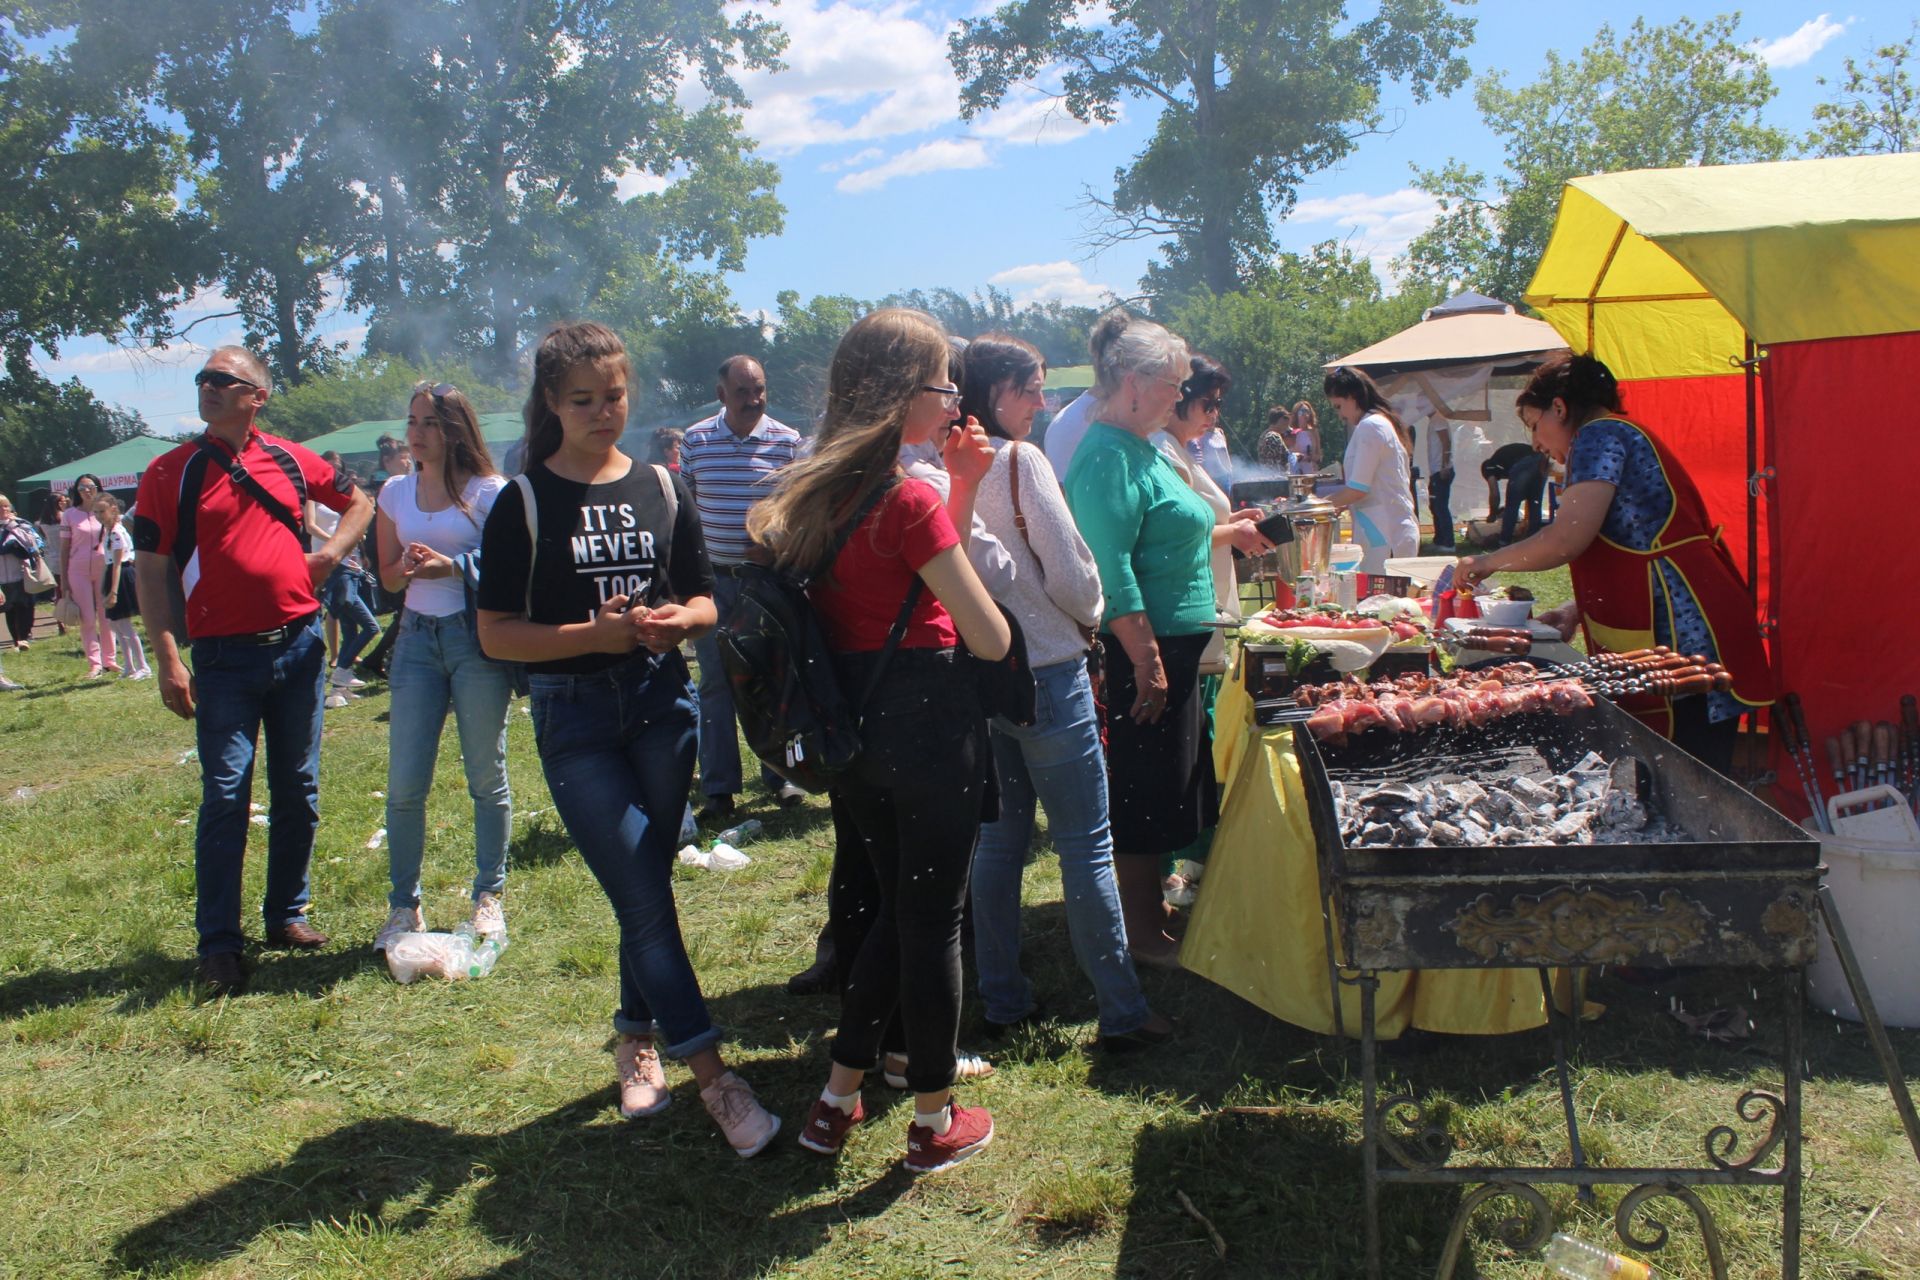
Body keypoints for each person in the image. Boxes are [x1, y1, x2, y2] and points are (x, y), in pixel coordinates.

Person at [476, 322, 778, 1158]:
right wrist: (592, 636)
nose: (604, 413)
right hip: (573, 718)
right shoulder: (524, 501)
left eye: (614, 396)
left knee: (639, 884)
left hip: (659, 706)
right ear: (550, 403)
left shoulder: (661, 483)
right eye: (583, 401)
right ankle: (715, 1077)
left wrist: (679, 619)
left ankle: (632, 1035)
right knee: (645, 895)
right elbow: (498, 635)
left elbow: (706, 600)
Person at [749, 308, 1010, 1171]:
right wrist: (953, 501)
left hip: (849, 728)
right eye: (944, 384)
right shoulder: (906, 497)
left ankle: (837, 1098)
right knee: (931, 920)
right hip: (931, 726)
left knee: (891, 915)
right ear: (906, 394)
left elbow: (886, 592)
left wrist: (958, 491)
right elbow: (988, 637)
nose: (953, 399)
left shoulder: (811, 494)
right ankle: (933, 1120)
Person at [133, 346, 374, 995]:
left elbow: (361, 503)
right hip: (221, 659)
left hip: (298, 647)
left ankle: (285, 914)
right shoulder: (170, 471)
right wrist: (165, 657)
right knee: (227, 795)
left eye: (221, 380)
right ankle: (218, 941)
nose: (206, 387)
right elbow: (151, 570)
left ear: (255, 395)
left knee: (299, 788)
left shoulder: (292, 459)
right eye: (202, 379)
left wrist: (330, 552)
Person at [962, 332, 1175, 1050]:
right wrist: (1088, 617)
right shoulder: (1019, 459)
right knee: (1086, 843)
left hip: (985, 677)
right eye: (1031, 389)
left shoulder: (944, 465)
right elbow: (1075, 574)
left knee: (998, 844)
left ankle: (1000, 998)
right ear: (996, 394)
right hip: (1050, 669)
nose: (1042, 402)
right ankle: (1121, 1011)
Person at [1455, 354, 1775, 773]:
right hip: (1676, 622)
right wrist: (1575, 610)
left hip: (1684, 629)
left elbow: (1567, 537)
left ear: (1560, 407)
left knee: (1687, 773)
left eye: (1534, 426)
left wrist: (1488, 561)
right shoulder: (1608, 436)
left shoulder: (1599, 435)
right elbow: (1623, 533)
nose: (1535, 442)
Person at [1062, 310, 1221, 966]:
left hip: (1169, 648)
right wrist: (1147, 660)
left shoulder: (1136, 448)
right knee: (1139, 791)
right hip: (1141, 654)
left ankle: (1152, 914)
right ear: (1133, 382)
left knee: (1161, 786)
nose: (1179, 398)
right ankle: (1140, 932)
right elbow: (1110, 562)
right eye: (1173, 386)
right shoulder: (1105, 455)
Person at [371, 383, 514, 954]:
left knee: (486, 775)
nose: (416, 432)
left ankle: (489, 897)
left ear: (455, 429)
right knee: (405, 785)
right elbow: (384, 578)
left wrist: (451, 568)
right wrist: (407, 569)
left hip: (473, 640)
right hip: (414, 643)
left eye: (428, 422)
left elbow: (508, 566)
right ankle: (404, 906)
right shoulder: (393, 493)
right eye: (412, 421)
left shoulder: (488, 492)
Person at [679, 355, 805, 822]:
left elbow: (798, 514)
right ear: (721, 395)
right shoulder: (696, 441)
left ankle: (783, 775)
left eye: (759, 390)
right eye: (742, 392)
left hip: (767, 582)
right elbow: (686, 513)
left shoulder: (788, 443)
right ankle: (719, 789)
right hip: (713, 583)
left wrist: (777, 548)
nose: (753, 400)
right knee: (714, 685)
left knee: (773, 680)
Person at [1320, 367, 1419, 574]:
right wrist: (1340, 504)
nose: (1340, 415)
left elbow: (1358, 489)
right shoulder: (1377, 424)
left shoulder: (1371, 427)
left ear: (1352, 396)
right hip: (1382, 530)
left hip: (1385, 535)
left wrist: (1318, 506)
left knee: (1384, 602)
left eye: (1339, 406)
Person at [309, 474, 378, 708]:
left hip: (352, 572)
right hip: (340, 574)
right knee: (371, 627)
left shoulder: (347, 509)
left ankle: (340, 689)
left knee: (350, 633)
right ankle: (341, 674)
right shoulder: (329, 506)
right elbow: (314, 528)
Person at [62, 473, 118, 676]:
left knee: (106, 616)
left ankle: (110, 660)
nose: (87, 491)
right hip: (77, 569)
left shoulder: (104, 511)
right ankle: (94, 663)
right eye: (82, 488)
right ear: (76, 492)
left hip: (102, 567)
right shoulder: (69, 514)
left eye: (91, 486)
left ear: (98, 488)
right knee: (87, 618)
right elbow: (64, 548)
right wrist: (64, 581)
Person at [93, 495, 150, 680]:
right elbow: (108, 563)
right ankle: (129, 665)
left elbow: (118, 563)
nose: (99, 516)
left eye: (102, 511)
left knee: (125, 625)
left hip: (122, 576)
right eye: (96, 512)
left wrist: (113, 591)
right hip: (112, 574)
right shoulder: (107, 532)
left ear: (113, 510)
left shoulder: (116, 532)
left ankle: (143, 666)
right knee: (116, 625)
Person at [0, 493, 44, 650]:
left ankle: (24, 638)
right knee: (9, 609)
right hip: (3, 578)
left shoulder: (21, 524)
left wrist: (13, 528)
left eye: (5, 505)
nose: (3, 509)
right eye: (0, 506)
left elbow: (34, 544)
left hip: (23, 572)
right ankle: (15, 641)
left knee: (25, 606)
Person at [34, 491, 67, 635]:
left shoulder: (42, 522)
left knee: (59, 592)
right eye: (62, 501)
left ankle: (61, 621)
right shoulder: (65, 517)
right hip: (66, 557)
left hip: (52, 558)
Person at [1425, 411, 1457, 552]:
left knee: (1441, 507)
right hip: (1436, 471)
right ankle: (1439, 540)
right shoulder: (1434, 421)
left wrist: (1445, 465)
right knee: (1435, 506)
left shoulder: (1438, 419)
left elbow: (1446, 442)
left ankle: (1449, 543)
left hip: (1441, 470)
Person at [1288, 400, 1323, 473]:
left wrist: (1312, 457)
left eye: (1307, 411)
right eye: (1302, 411)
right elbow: (1288, 454)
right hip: (1295, 470)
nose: (1305, 414)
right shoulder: (1291, 431)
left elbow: (1319, 455)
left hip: (1311, 470)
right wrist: (1301, 457)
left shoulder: (1314, 432)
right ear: (1296, 413)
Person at [1256, 405, 1293, 470]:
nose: (1288, 423)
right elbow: (1281, 460)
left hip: (1266, 476)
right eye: (1286, 418)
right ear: (1281, 420)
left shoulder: (1263, 435)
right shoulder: (1274, 437)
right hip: (1277, 477)